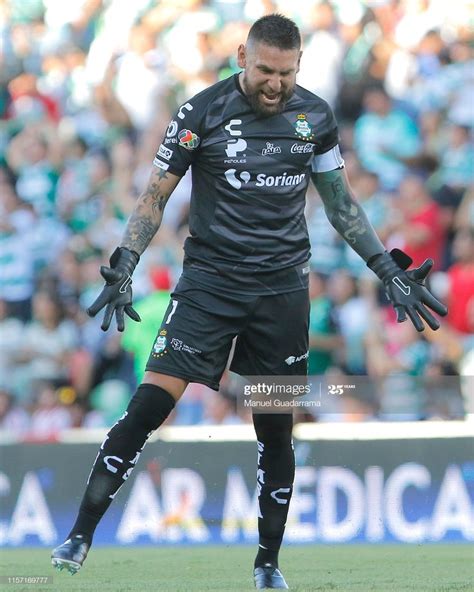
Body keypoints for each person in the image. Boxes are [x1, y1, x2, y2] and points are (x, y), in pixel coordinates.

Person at [51, 14, 447, 589]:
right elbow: (156, 194)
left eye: (286, 73)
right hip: (209, 286)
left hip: (282, 293)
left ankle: (267, 564)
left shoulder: (315, 117)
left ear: (299, 66)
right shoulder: (200, 113)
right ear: (242, 55)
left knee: (276, 430)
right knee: (148, 406)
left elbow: (340, 204)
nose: (275, 84)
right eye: (265, 70)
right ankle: (81, 532)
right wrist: (127, 261)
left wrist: (384, 265)